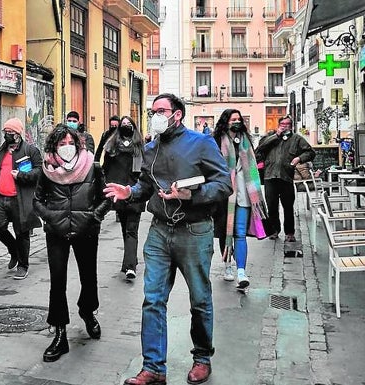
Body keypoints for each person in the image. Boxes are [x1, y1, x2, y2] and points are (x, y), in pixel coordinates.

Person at [104, 93, 232, 385]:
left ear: (177, 115)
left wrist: (194, 195)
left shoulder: (201, 143)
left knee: (199, 299)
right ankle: (153, 368)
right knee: (152, 300)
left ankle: (202, 358)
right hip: (160, 231)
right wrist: (130, 192)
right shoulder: (150, 148)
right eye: (152, 112)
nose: (155, 116)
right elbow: (146, 184)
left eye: (161, 111)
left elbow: (224, 183)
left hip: (195, 231)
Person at [33, 124, 111, 362]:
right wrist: (50, 217)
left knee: (89, 278)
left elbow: (106, 198)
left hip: (86, 231)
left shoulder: (92, 166)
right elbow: (37, 200)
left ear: (78, 144)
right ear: (53, 146)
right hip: (56, 233)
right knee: (57, 283)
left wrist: (93, 217)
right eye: (61, 144)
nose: (66, 148)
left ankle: (87, 312)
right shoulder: (47, 169)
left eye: (70, 143)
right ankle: (59, 333)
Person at [212, 109, 268, 290]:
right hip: (224, 194)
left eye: (238, 119)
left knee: (240, 232)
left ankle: (242, 272)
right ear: (225, 122)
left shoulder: (246, 141)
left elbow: (252, 169)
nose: (236, 122)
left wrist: (255, 191)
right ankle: (228, 266)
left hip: (245, 194)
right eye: (232, 119)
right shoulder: (217, 141)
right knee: (224, 231)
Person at [0, 118, 42, 279]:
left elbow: (39, 172)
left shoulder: (30, 151)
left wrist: (22, 176)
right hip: (1, 198)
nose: (7, 135)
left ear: (18, 134)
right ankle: (13, 250)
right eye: (6, 132)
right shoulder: (1, 151)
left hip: (19, 199)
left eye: (11, 132)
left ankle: (23, 265)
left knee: (22, 232)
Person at [255, 116, 315, 241]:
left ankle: (290, 233)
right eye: (283, 124)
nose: (285, 126)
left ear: (291, 126)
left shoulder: (297, 139)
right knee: (271, 206)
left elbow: (310, 152)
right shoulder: (270, 137)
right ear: (279, 125)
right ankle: (274, 231)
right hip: (270, 176)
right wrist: (276, 135)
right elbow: (259, 149)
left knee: (288, 206)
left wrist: (299, 158)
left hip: (286, 177)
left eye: (288, 124)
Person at [102, 116, 145, 280]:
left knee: (131, 230)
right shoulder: (112, 146)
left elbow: (145, 170)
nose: (126, 126)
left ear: (134, 127)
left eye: (129, 124)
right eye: (124, 124)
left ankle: (130, 266)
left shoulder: (140, 147)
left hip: (135, 193)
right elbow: (105, 168)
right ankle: (129, 261)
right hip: (119, 193)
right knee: (126, 229)